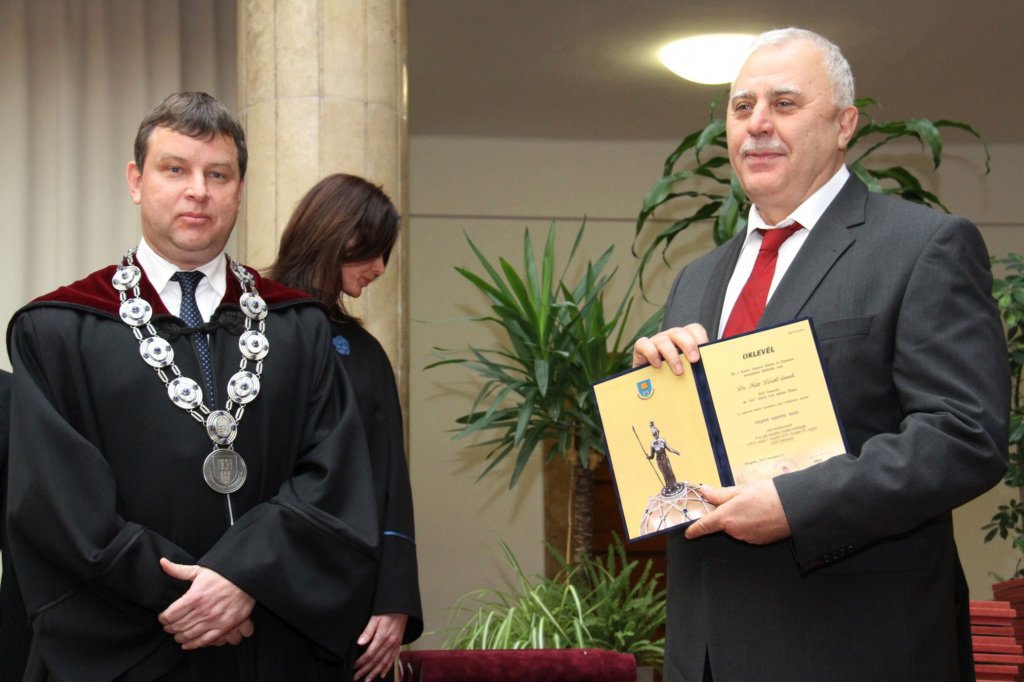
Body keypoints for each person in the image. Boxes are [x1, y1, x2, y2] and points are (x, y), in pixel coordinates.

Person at [632, 28, 1009, 681]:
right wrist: (653, 391)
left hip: (853, 647)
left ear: (844, 125)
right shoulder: (696, 279)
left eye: (784, 103)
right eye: (742, 106)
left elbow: (964, 436)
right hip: (706, 651)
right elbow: (680, 468)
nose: (757, 124)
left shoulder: (924, 246)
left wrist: (797, 505)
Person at [5, 92, 381, 679]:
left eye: (218, 174)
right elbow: (57, 505)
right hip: (127, 646)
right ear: (137, 181)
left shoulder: (300, 328)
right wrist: (190, 598)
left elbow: (336, 480)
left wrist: (245, 577)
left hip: (269, 646)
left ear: (239, 190)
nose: (198, 191)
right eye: (175, 169)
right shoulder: (57, 332)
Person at [267, 173, 423, 680]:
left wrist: (395, 600)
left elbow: (390, 482)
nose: (380, 268)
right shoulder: (248, 329)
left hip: (349, 601)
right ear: (335, 233)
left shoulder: (364, 353)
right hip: (256, 592)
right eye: (372, 250)